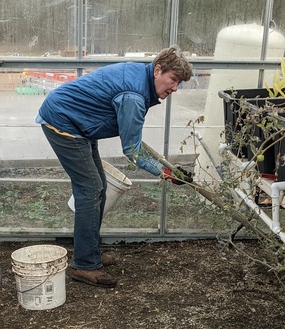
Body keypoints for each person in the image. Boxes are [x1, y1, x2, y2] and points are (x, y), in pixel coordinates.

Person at [37, 45, 194, 288]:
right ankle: (85, 265)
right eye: (172, 80)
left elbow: (133, 137)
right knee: (90, 190)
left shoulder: (141, 80)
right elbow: (132, 151)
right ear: (157, 70)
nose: (174, 88)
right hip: (64, 122)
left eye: (178, 83)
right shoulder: (134, 96)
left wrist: (168, 170)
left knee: (98, 189)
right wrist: (164, 174)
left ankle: (89, 252)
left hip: (80, 122)